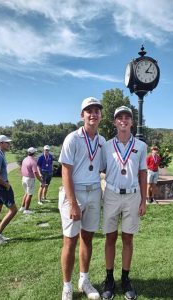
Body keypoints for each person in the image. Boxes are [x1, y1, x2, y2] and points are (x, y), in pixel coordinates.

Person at [58, 97, 106, 300]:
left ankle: (84, 280)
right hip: (74, 192)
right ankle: (67, 286)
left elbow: (104, 168)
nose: (93, 113)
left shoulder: (102, 141)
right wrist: (73, 203)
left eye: (96, 110)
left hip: (95, 191)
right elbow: (65, 172)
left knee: (87, 238)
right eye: (89, 110)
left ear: (101, 115)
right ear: (82, 115)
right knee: (70, 240)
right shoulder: (72, 138)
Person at [101, 106, 147, 300]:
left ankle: (125, 278)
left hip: (132, 196)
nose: (123, 120)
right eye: (119, 117)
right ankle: (109, 279)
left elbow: (143, 174)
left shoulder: (141, 146)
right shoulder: (106, 145)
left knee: (128, 239)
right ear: (114, 122)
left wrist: (144, 200)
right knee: (110, 238)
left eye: (127, 117)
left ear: (132, 122)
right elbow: (98, 169)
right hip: (111, 194)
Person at [0, 135, 18, 245]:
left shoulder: (1, 154)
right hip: (1, 186)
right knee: (13, 210)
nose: (9, 144)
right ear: (0, 143)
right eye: (7, 142)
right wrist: (6, 185)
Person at [19, 147, 44, 214]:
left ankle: (22, 207)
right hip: (29, 179)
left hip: (24, 178)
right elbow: (35, 173)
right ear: (34, 153)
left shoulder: (25, 159)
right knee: (29, 194)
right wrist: (41, 180)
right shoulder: (33, 161)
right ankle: (26, 210)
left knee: (26, 193)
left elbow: (21, 168)